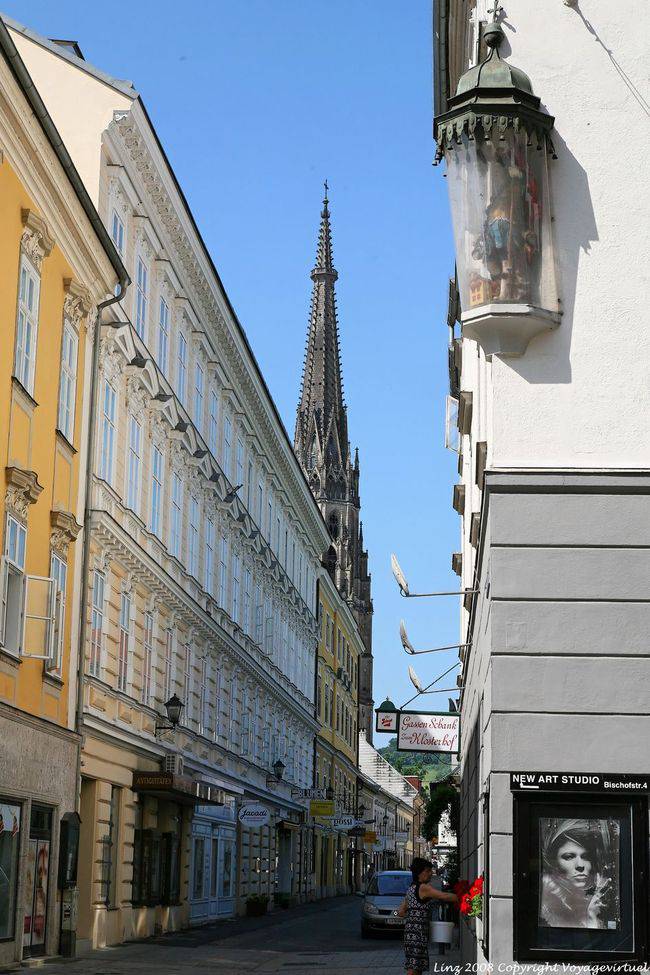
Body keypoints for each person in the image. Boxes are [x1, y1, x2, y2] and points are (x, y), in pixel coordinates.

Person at [539, 819, 615, 929]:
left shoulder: (599, 903)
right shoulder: (546, 908)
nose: (580, 865)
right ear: (554, 863)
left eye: (586, 857)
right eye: (569, 857)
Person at [395, 857, 458, 975]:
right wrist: (463, 897)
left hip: (410, 933)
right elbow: (444, 896)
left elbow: (400, 912)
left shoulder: (411, 889)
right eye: (427, 871)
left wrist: (413, 913)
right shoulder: (423, 887)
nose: (430, 873)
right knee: (414, 969)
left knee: (416, 966)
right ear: (420, 873)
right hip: (418, 933)